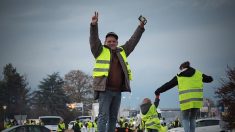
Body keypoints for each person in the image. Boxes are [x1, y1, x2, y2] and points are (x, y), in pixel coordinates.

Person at [89, 11, 146, 132]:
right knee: (103, 117)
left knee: (113, 118)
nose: (111, 43)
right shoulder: (99, 50)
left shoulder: (122, 51)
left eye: (114, 41)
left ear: (117, 43)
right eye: (109, 41)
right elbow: (94, 40)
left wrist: (140, 27)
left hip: (117, 91)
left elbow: (133, 41)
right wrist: (94, 25)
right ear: (105, 42)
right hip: (105, 90)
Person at [155, 61, 213, 132]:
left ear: (182, 68)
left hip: (186, 101)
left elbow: (168, 85)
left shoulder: (179, 76)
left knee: (185, 118)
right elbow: (209, 79)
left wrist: (158, 91)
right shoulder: (198, 73)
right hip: (196, 100)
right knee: (192, 118)